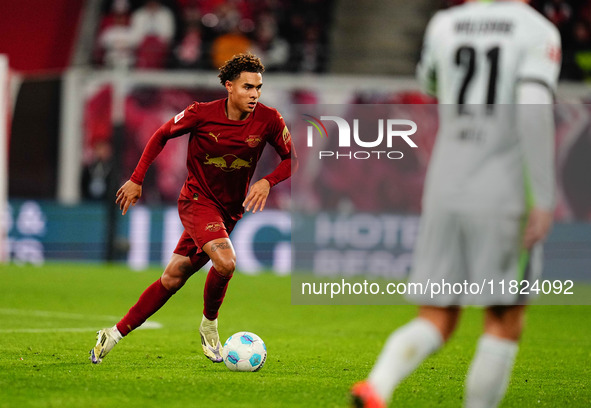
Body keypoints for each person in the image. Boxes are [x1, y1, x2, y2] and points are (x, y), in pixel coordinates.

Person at [351, 1, 561, 407]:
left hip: (445, 185)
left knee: (436, 315)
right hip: (503, 190)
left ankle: (378, 384)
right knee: (503, 319)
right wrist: (544, 197)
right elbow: (533, 111)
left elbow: (430, 82)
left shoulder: (445, 24)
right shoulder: (537, 30)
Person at [90, 53, 296, 364]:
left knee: (173, 277)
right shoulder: (201, 113)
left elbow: (292, 159)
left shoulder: (269, 120)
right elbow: (160, 135)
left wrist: (268, 181)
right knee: (226, 263)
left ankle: (113, 333)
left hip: (229, 211)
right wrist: (136, 179)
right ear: (229, 86)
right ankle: (209, 325)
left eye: (258, 88)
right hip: (197, 201)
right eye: (247, 87)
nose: (254, 94)